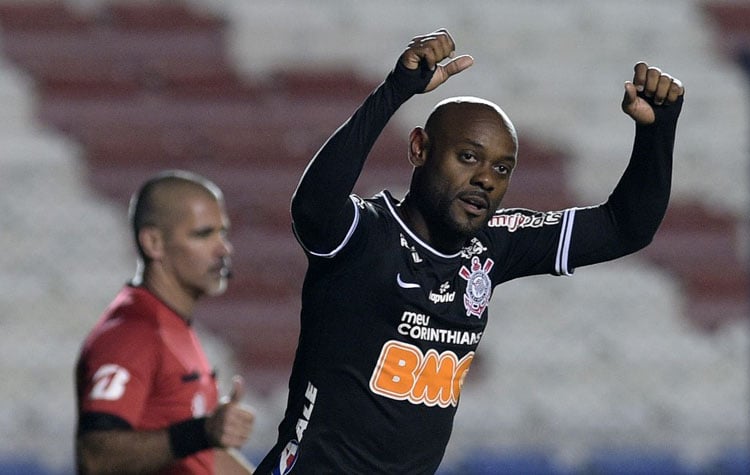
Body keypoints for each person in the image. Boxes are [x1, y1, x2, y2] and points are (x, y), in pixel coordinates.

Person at [254, 28, 684, 474]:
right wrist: (395, 91)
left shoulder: (494, 244)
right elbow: (312, 208)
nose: (486, 179)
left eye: (502, 167)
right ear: (420, 148)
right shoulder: (366, 234)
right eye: (468, 157)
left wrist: (657, 133)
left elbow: (624, 227)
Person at [75, 170, 256, 474]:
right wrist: (201, 432)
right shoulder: (131, 333)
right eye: (203, 234)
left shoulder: (172, 325)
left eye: (222, 233)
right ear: (154, 243)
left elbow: (201, 458)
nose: (224, 248)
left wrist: (204, 435)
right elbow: (96, 458)